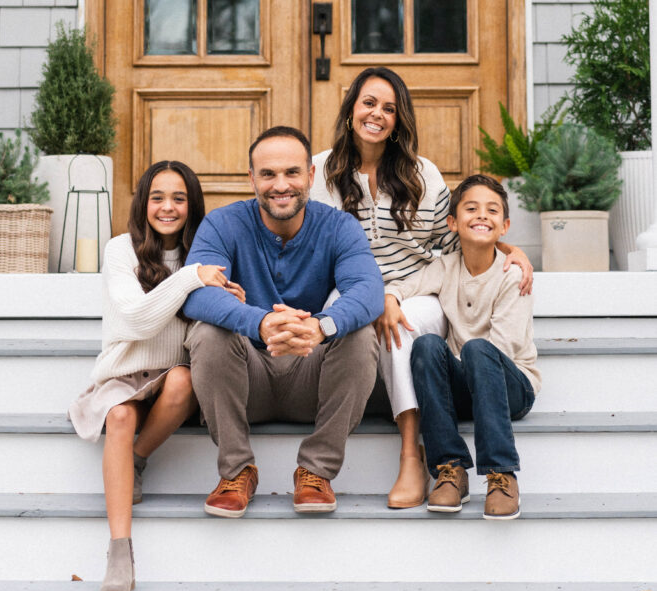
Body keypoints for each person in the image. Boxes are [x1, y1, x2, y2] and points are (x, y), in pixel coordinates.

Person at [310, 67, 533, 509]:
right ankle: (318, 465)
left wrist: (508, 248)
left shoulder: (421, 174)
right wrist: (370, 297)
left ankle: (412, 454)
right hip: (353, 289)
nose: (377, 114)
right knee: (342, 322)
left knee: (406, 330)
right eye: (369, 103)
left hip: (415, 290)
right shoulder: (320, 170)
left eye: (389, 108)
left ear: (400, 119)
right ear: (351, 108)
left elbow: (455, 237)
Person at [183, 125, 384, 518]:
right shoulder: (223, 224)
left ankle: (315, 471)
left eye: (292, 173)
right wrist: (258, 323)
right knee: (208, 333)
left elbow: (368, 290)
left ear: (310, 176)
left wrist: (320, 327)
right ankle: (237, 471)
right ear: (251, 179)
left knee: (359, 334)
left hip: (312, 375)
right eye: (268, 174)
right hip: (245, 378)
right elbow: (196, 292)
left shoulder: (339, 226)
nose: (281, 185)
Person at [69, 160, 244, 591]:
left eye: (180, 199)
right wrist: (190, 279)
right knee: (121, 418)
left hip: (171, 381)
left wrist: (228, 299)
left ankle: (137, 461)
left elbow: (195, 332)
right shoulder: (120, 250)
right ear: (144, 202)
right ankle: (119, 552)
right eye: (158, 197)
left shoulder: (205, 255)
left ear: (193, 205)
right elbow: (136, 320)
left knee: (185, 378)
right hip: (123, 374)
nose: (168, 207)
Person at [407, 174, 540, 519]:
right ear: (452, 222)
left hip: (511, 386)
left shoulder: (513, 275)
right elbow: (405, 285)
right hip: (469, 384)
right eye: (471, 209)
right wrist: (390, 298)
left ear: (505, 225)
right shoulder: (445, 266)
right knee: (425, 345)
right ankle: (450, 469)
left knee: (479, 349)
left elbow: (504, 348)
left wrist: (470, 357)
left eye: (492, 210)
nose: (482, 216)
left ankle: (501, 474)